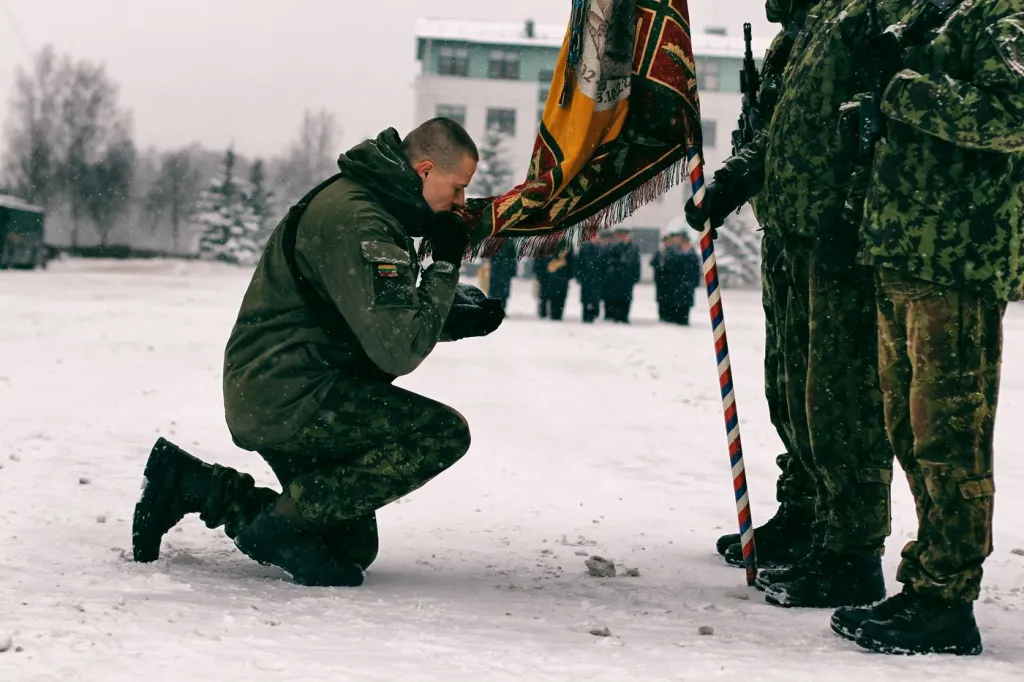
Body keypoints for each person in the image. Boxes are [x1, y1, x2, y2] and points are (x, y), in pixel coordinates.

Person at [131, 118, 505, 587]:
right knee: (442, 433)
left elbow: (365, 313)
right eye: (458, 188)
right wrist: (445, 268)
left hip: (289, 384)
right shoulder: (361, 218)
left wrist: (451, 315)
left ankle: (193, 485)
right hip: (289, 394)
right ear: (426, 170)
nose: (460, 203)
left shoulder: (372, 206)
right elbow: (397, 349)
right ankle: (278, 528)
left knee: (348, 547)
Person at [688, 0, 907, 610]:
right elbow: (778, 135)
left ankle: (851, 552)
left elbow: (874, 127)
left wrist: (852, 218)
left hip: (837, 240)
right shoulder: (803, 37)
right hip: (789, 232)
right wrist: (730, 182)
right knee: (790, 389)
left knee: (842, 399)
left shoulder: (867, 17)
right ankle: (808, 513)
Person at [830, 0, 1024, 656]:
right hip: (903, 249)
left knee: (951, 436)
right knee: (912, 433)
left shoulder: (1003, 13)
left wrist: (905, 88)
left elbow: (1013, 114)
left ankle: (947, 598)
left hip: (957, 257)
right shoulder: (929, 17)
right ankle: (926, 584)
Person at [602, 228, 641, 323]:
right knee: (615, 297)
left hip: (628, 277)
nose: (624, 237)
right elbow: (610, 260)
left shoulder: (634, 248)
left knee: (626, 298)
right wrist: (617, 265)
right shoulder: (615, 247)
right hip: (616, 277)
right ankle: (615, 315)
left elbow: (636, 263)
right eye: (622, 236)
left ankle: (624, 316)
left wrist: (636, 276)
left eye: (626, 235)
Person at [576, 232, 606, 323]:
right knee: (586, 298)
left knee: (595, 298)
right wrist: (579, 276)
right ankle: (586, 315)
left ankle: (593, 314)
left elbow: (604, 265)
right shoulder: (584, 248)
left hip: (597, 279)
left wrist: (603, 277)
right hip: (586, 278)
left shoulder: (601, 249)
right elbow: (578, 264)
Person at [487, 241, 518, 309]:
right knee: (500, 290)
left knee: (500, 291)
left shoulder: (496, 241)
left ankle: (499, 307)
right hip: (501, 270)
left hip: (501, 270)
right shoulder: (508, 242)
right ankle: (498, 307)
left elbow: (513, 257)